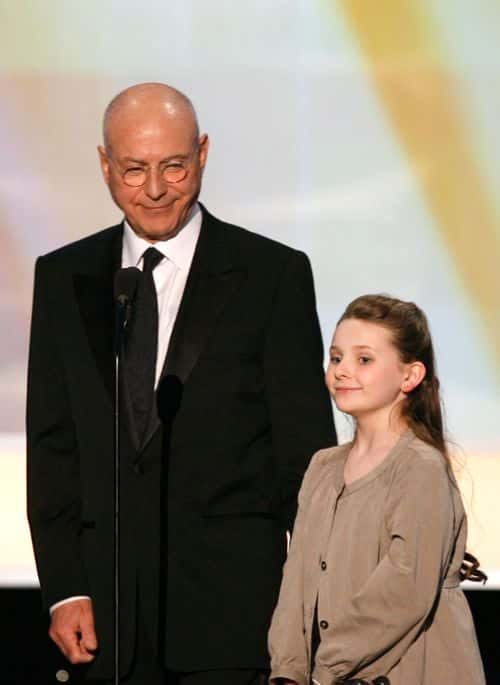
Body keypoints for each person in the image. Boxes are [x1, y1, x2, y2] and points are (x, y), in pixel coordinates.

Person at [26, 82, 336, 684]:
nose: (155, 189)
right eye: (133, 169)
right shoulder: (63, 278)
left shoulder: (273, 276)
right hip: (105, 621)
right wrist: (64, 589)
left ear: (203, 154)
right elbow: (52, 448)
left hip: (234, 619)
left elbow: (305, 459)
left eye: (173, 166)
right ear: (103, 164)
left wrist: (308, 605)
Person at [268, 294, 486, 685]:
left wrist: (326, 669)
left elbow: (404, 589)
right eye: (336, 358)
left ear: (410, 376)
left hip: (409, 669)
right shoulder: (323, 466)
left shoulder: (419, 468)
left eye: (363, 360)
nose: (342, 371)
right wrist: (287, 670)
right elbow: (297, 575)